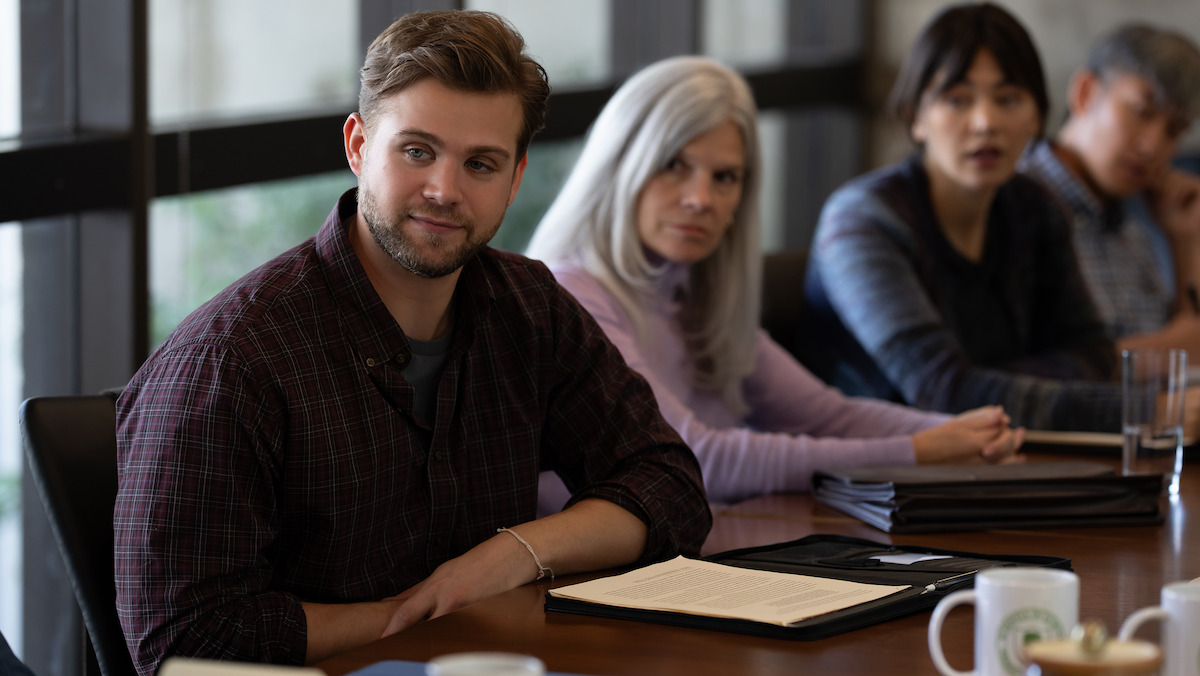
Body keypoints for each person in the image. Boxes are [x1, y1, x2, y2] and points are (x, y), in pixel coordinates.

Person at [113, 11, 711, 675]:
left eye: (480, 164)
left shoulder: (530, 309)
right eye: (417, 151)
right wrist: (422, 615)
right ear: (359, 145)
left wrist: (511, 554)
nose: (444, 191)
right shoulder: (229, 361)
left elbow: (670, 485)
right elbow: (183, 638)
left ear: (514, 179)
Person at [525, 55, 1024, 508]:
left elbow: (826, 415)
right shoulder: (572, 292)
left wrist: (970, 433)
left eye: (724, 177)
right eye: (674, 165)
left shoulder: (694, 291)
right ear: (620, 167)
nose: (701, 198)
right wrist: (918, 452)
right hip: (594, 586)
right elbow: (693, 458)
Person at [803, 3, 1127, 432]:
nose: (985, 122)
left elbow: (1097, 356)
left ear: (1036, 116)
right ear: (915, 117)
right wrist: (1134, 412)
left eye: (1008, 98)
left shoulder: (1036, 208)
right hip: (865, 481)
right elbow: (943, 394)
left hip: (998, 462)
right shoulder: (862, 221)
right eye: (957, 99)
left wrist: (981, 383)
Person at [1019, 24, 1200, 353]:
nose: (1152, 147)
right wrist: (1180, 343)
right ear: (1085, 92)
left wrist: (1186, 239)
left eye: (1174, 131)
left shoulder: (1131, 231)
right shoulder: (1013, 202)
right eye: (1142, 112)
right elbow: (1038, 372)